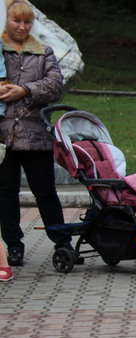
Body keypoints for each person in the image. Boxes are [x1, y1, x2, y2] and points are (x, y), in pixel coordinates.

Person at [0, 0, 67, 269]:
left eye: (27, 22)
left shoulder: (43, 52)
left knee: (46, 192)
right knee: (6, 193)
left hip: (36, 133)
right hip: (4, 134)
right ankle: (13, 245)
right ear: (6, 21)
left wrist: (24, 89)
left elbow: (55, 85)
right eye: (17, 20)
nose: (22, 26)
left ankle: (61, 241)